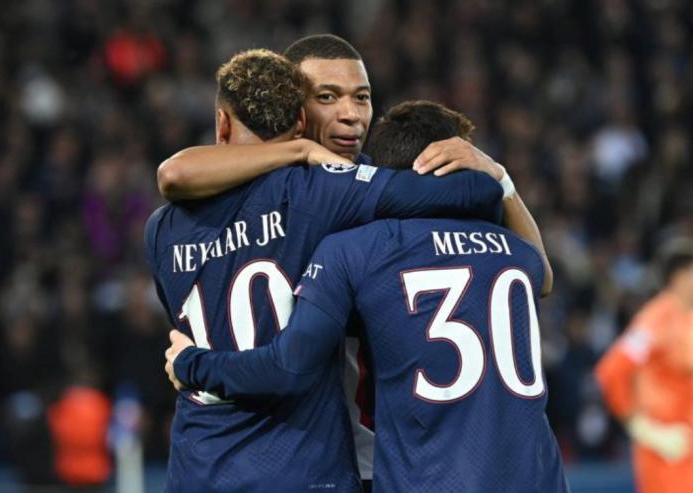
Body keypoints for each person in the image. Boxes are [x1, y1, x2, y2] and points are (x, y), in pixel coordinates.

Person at [154, 34, 552, 487]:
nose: (351, 114)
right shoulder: (328, 194)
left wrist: (501, 179)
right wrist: (298, 152)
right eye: (327, 97)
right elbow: (175, 173)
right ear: (294, 110)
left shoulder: (375, 186)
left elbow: (537, 275)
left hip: (364, 455)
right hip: (321, 455)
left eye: (361, 97)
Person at [595, 239, 693, 493]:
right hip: (666, 458)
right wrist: (643, 429)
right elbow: (611, 370)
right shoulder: (656, 320)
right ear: (681, 276)